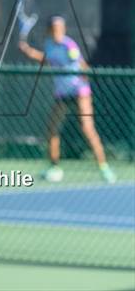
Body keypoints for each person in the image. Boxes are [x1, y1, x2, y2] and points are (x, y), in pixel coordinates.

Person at [19, 15, 116, 184]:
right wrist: (28, 50)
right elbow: (47, 60)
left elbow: (81, 65)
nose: (58, 32)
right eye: (55, 29)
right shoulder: (49, 45)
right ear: (50, 31)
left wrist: (83, 82)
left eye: (61, 29)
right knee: (52, 130)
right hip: (62, 95)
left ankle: (104, 167)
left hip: (79, 93)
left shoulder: (69, 45)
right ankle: (54, 167)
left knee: (87, 129)